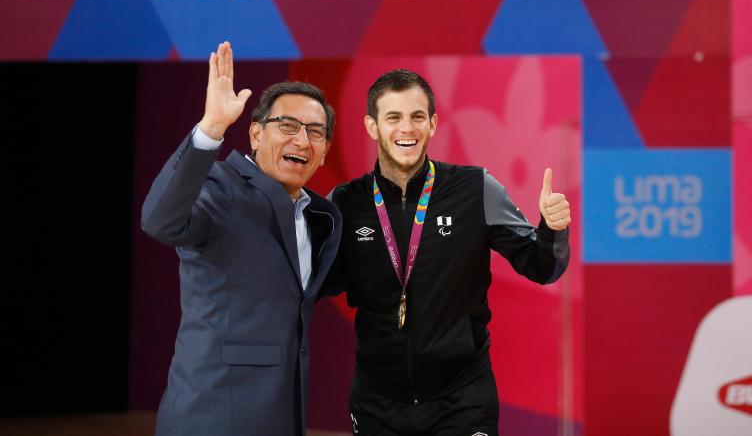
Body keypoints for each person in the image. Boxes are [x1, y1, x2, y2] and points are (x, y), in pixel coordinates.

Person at [325, 69, 571, 435]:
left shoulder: (476, 189)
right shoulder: (346, 203)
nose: (406, 129)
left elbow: (540, 267)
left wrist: (552, 229)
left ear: (434, 124)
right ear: (372, 126)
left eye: (417, 117)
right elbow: (316, 283)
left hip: (462, 399)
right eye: (393, 117)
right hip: (377, 402)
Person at [141, 41, 342, 436]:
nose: (302, 140)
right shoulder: (220, 187)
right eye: (287, 126)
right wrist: (211, 128)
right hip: (214, 414)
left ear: (324, 152)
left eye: (315, 132)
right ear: (254, 133)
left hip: (282, 415)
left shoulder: (319, 216)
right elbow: (161, 221)